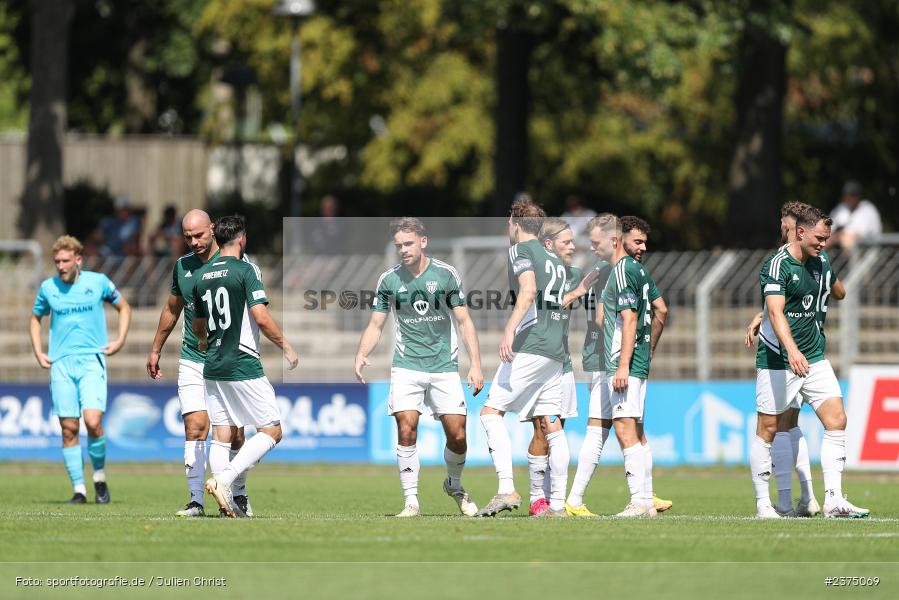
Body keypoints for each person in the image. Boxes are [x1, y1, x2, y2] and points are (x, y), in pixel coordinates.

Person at [354, 217, 484, 517]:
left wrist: (476, 365)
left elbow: (464, 322)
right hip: (407, 366)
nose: (403, 249)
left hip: (443, 366)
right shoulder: (389, 280)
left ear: (423, 242)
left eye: (408, 243)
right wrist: (361, 353)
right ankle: (411, 500)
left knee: (459, 435)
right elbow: (376, 324)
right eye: (399, 245)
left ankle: (453, 483)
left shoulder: (446, 275)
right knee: (406, 426)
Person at [753, 206, 868, 518]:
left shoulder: (821, 261)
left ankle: (833, 499)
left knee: (837, 421)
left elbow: (839, 293)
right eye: (819, 238)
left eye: (827, 239)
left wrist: (830, 280)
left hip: (814, 357)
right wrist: (790, 350)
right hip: (779, 359)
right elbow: (776, 311)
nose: (824, 244)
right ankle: (766, 503)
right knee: (770, 427)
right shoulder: (777, 264)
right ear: (800, 232)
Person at [146, 209, 256, 517]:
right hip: (194, 358)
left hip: (228, 360)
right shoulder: (183, 267)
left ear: (212, 229)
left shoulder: (239, 265)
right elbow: (172, 309)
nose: (194, 242)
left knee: (234, 433)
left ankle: (239, 494)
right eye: (188, 237)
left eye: (199, 235)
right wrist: (156, 349)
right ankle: (196, 500)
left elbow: (254, 314)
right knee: (195, 426)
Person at [193, 215, 299, 518]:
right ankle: (224, 481)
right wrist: (287, 347)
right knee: (272, 430)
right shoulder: (246, 269)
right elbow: (261, 317)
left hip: (212, 363)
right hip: (242, 361)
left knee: (222, 434)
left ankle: (230, 498)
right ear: (242, 239)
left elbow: (198, 326)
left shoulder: (202, 275)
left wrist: (204, 343)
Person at [475, 198, 570, 518]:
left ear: (514, 223)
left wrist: (509, 330)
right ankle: (555, 504)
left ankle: (506, 489)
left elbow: (527, 290)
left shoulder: (521, 250)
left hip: (533, 342)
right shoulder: (554, 257)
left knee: (490, 413)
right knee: (552, 427)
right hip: (556, 349)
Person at [29, 235, 131, 504]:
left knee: (93, 422)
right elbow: (35, 318)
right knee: (68, 429)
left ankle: (99, 478)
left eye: (65, 261)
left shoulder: (97, 283)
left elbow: (123, 307)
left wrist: (119, 340)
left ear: (78, 260)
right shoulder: (48, 288)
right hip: (61, 364)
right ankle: (79, 490)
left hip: (90, 361)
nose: (60, 266)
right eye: (57, 261)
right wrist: (38, 351)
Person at [601, 216, 666, 517]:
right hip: (639, 359)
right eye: (637, 241)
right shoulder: (640, 271)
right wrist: (648, 348)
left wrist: (622, 365)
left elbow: (628, 319)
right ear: (621, 239)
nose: (643, 248)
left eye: (644, 242)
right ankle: (648, 500)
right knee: (637, 431)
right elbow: (661, 309)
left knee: (625, 429)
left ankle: (638, 501)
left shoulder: (624, 270)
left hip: (625, 360)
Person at [524, 217, 582, 516]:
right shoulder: (533, 273)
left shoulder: (575, 274)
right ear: (548, 244)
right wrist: (576, 293)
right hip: (537, 360)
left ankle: (550, 499)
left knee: (558, 431)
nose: (573, 246)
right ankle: (539, 500)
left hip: (563, 364)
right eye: (566, 242)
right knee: (542, 429)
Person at [828, 181, 882, 250]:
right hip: (840, 250)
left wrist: (838, 236)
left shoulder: (868, 209)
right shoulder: (841, 208)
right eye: (847, 195)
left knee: (846, 239)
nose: (850, 198)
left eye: (853, 195)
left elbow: (858, 234)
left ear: (858, 196)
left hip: (866, 250)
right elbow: (829, 230)